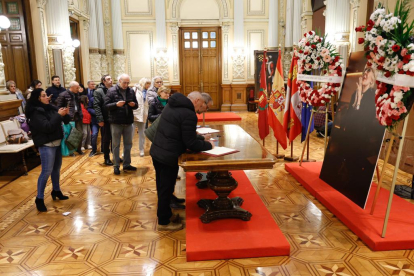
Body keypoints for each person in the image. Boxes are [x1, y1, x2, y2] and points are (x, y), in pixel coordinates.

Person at [150, 91, 214, 231]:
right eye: (202, 104)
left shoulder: (172, 104)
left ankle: (166, 213)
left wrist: (200, 140)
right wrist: (210, 146)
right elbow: (190, 142)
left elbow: (182, 134)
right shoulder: (188, 114)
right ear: (197, 100)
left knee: (163, 186)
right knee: (165, 188)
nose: (201, 109)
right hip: (167, 155)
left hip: (158, 150)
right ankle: (164, 222)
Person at [25, 88, 70, 212]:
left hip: (56, 142)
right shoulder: (36, 112)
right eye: (44, 96)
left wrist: (65, 114)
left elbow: (64, 121)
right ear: (37, 98)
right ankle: (39, 198)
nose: (47, 97)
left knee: (56, 169)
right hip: (46, 145)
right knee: (46, 171)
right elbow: (47, 127)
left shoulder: (50, 107)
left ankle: (56, 190)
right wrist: (58, 115)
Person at [104, 73, 138, 175]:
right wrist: (116, 104)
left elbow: (136, 105)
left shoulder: (131, 91)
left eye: (128, 83)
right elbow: (106, 106)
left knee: (128, 144)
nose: (126, 85)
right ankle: (116, 166)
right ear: (119, 81)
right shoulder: (111, 91)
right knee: (116, 145)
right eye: (124, 82)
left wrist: (133, 105)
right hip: (116, 122)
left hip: (128, 122)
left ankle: (127, 164)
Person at [56, 81, 84, 155]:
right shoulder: (63, 95)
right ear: (72, 87)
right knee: (69, 135)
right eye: (77, 87)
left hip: (78, 116)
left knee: (80, 133)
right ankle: (71, 151)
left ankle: (78, 149)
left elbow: (79, 104)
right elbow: (59, 107)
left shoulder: (77, 94)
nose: (78, 89)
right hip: (69, 117)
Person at [94, 75, 114, 165]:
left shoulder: (114, 89)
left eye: (111, 79)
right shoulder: (98, 91)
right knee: (106, 139)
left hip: (114, 118)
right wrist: (100, 119)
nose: (111, 80)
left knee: (115, 138)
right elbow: (97, 106)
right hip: (105, 119)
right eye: (108, 79)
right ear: (103, 81)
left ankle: (116, 156)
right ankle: (106, 157)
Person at [133, 77, 151, 157]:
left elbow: (147, 103)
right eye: (147, 84)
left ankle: (141, 149)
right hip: (135, 114)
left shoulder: (148, 91)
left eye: (149, 84)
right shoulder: (134, 89)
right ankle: (126, 151)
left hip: (143, 114)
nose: (148, 85)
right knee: (130, 134)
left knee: (142, 133)